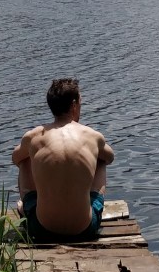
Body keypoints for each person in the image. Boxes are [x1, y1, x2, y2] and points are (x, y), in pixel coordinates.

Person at [12, 78, 115, 242]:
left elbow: (15, 158)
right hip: (85, 230)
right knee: (100, 159)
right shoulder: (92, 136)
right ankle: (86, 205)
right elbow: (110, 158)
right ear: (74, 105)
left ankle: (27, 207)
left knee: (24, 159)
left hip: (41, 229)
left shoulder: (34, 136)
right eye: (81, 102)